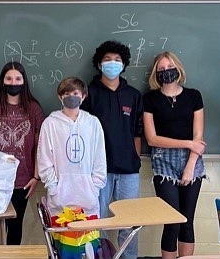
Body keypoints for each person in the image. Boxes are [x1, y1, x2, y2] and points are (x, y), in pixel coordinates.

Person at [81, 40, 143, 259]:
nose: (112, 64)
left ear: (124, 64)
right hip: (97, 171)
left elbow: (137, 131)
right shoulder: (88, 93)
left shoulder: (133, 95)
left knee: (130, 224)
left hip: (128, 170)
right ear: (99, 64)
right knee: (98, 221)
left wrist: (135, 159)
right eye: (107, 60)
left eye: (117, 60)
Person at [143, 51, 206, 259]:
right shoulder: (150, 99)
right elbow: (152, 138)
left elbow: (199, 136)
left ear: (178, 68)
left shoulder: (194, 96)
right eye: (161, 69)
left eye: (169, 67)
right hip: (163, 161)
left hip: (192, 161)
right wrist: (188, 143)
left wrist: (190, 164)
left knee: (187, 221)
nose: (166, 72)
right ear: (155, 74)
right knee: (172, 221)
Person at [0, 61, 44, 245]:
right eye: (9, 78)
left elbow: (39, 145)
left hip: (23, 180)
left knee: (16, 227)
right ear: (2, 81)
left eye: (18, 78)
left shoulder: (34, 108)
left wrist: (36, 177)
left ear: (24, 81)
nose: (13, 82)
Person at [38, 77, 107, 217]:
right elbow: (44, 159)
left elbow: (99, 158)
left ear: (83, 96)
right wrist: (53, 189)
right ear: (60, 97)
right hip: (59, 200)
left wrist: (94, 188)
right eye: (67, 94)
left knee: (88, 238)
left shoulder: (93, 123)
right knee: (62, 238)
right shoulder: (50, 124)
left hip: (88, 199)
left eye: (76, 93)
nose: (71, 97)